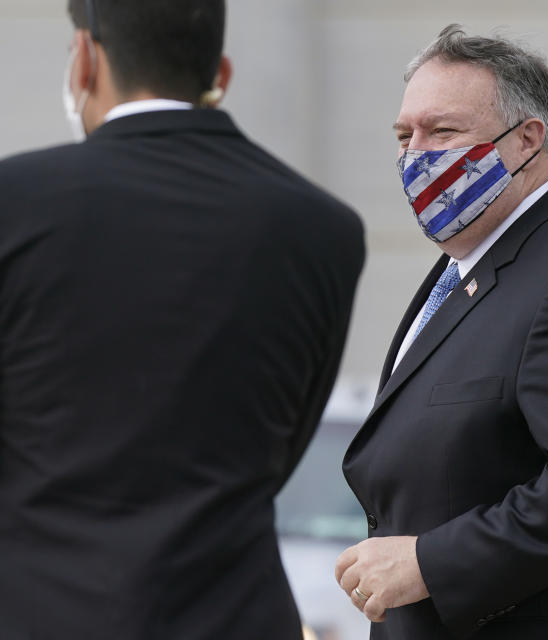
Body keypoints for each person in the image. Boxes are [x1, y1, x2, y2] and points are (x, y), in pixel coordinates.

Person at [0, 1, 364, 638]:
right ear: (220, 72)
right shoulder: (323, 230)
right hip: (233, 615)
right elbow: (289, 434)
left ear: (84, 59)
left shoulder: (16, 203)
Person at [336, 25, 548, 639]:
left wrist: (428, 562)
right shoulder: (470, 260)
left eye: (442, 132)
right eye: (403, 135)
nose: (417, 154)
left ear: (527, 140)